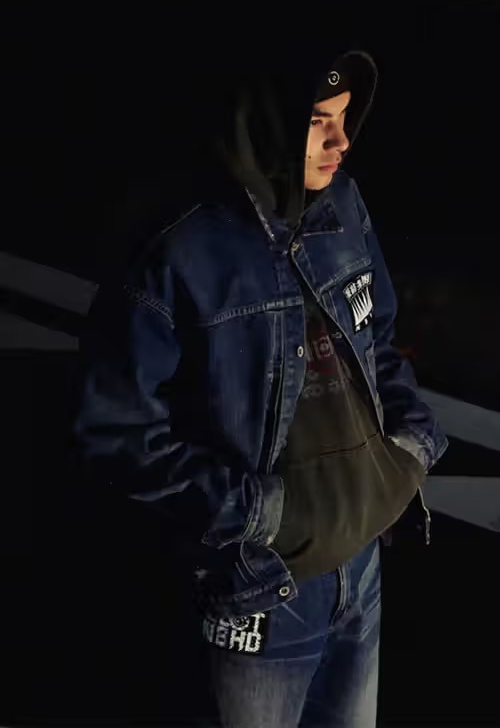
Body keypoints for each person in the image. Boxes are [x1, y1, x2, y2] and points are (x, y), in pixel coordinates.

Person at [74, 43, 448, 727]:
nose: (341, 140)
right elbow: (116, 433)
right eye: (318, 121)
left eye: (345, 118)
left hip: (361, 568)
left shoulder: (344, 203)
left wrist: (413, 443)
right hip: (260, 591)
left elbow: (379, 337)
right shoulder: (180, 247)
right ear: (267, 123)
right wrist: (258, 515)